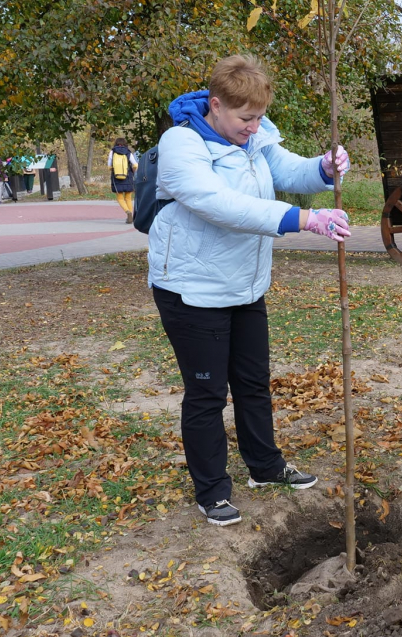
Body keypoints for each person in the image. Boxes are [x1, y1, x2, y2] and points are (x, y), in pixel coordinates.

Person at [148, 54, 353, 527]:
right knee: (206, 394)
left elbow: (289, 172)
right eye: (246, 118)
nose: (254, 127)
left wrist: (324, 168)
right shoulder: (181, 144)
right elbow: (220, 204)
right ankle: (213, 491)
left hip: (245, 285)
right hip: (192, 290)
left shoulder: (254, 136)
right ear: (215, 105)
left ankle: (265, 466)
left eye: (260, 117)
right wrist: (303, 220)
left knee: (254, 383)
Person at [107, 138, 138, 223]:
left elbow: (109, 165)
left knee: (120, 198)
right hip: (128, 176)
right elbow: (135, 164)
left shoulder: (112, 152)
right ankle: (130, 215)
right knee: (128, 198)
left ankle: (127, 212)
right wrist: (132, 170)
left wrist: (114, 170)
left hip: (116, 177)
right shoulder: (128, 152)